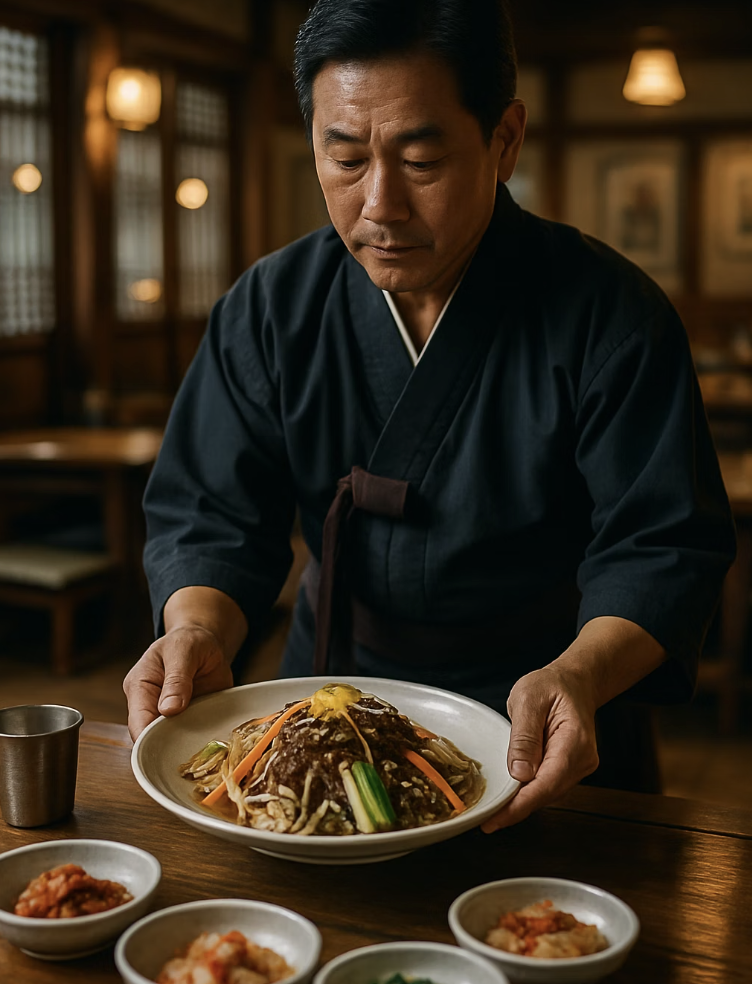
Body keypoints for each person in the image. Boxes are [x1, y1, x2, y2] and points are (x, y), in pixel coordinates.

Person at [124, 0, 735, 831]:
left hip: (545, 710)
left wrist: (584, 673)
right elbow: (210, 514)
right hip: (328, 699)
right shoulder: (270, 307)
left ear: (504, 139)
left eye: (421, 159)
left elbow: (660, 544)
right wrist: (197, 627)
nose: (380, 204)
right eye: (345, 159)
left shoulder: (611, 314)